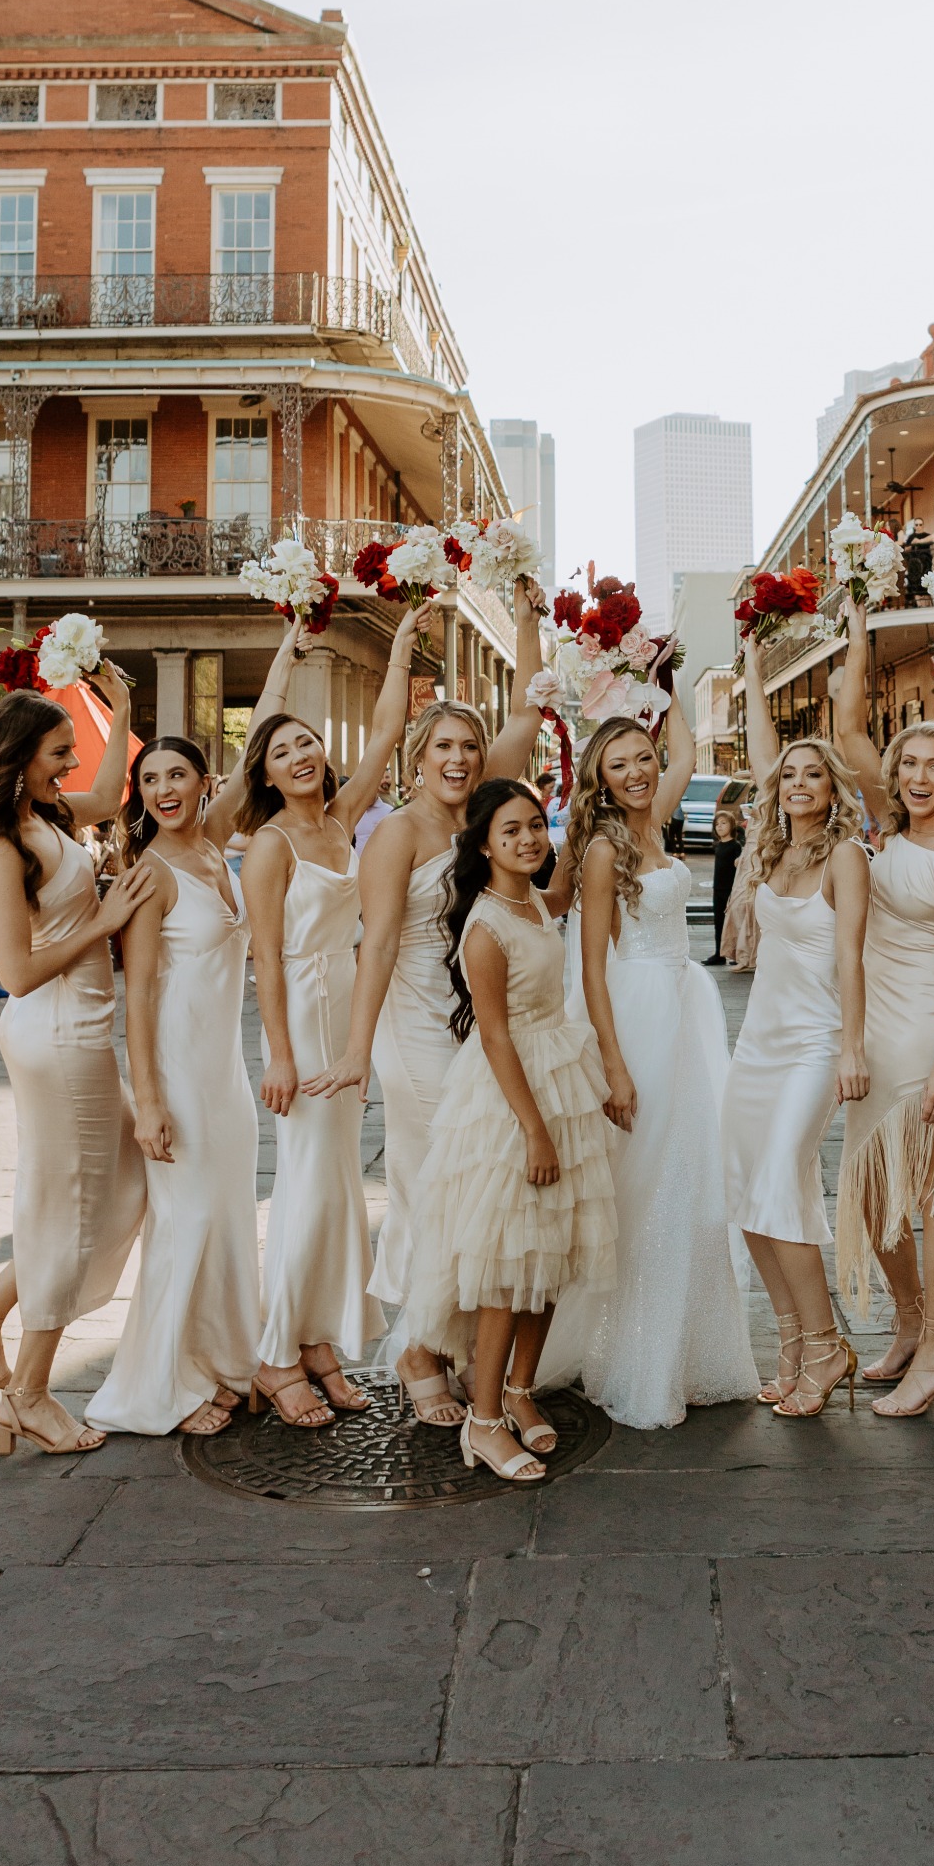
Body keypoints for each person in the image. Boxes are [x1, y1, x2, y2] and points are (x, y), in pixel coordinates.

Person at [86, 622, 306, 1439]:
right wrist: (147, 1100)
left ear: (202, 782)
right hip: (174, 1069)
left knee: (222, 1219)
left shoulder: (215, 848)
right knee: (182, 1222)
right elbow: (136, 997)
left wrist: (291, 641)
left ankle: (225, 1362)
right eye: (149, 780)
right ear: (138, 795)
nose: (162, 789)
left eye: (176, 774)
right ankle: (162, 1387)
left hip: (225, 1071)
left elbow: (265, 738)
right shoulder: (149, 876)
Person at [338, 579, 548, 1425]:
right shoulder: (397, 833)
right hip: (413, 1027)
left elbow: (528, 720)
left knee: (471, 1189)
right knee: (432, 1187)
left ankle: (455, 1339)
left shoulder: (482, 815)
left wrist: (530, 621)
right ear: (415, 760)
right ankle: (418, 1347)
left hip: (471, 1028)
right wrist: (356, 1051)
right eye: (443, 749)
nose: (459, 759)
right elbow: (380, 944)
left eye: (468, 746)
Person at [0, 669, 154, 1455]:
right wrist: (108, 917)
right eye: (58, 752)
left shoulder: (52, 813)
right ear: (21, 755)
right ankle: (29, 1392)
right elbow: (17, 972)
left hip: (83, 1032)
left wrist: (123, 707)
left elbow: (108, 795)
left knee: (123, 1183)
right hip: (52, 1033)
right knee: (72, 1208)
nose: (69, 764)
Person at [542, 696, 759, 1428]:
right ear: (599, 778)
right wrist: (615, 1064)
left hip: (685, 1014)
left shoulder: (655, 826)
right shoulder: (604, 848)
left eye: (644, 758)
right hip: (634, 1017)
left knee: (690, 1182)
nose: (637, 772)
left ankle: (685, 1352)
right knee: (645, 1186)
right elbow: (593, 966)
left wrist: (670, 690)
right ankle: (635, 1359)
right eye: (620, 763)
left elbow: (691, 756)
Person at [239, 609, 431, 1427]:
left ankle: (319, 1344)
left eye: (308, 743)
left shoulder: (343, 817)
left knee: (340, 1185)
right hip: (300, 1012)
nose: (302, 756)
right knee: (310, 1188)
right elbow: (266, 960)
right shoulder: (270, 844)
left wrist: (399, 645)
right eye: (283, 751)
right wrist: (278, 1056)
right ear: (268, 772)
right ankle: (276, 1352)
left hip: (350, 999)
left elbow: (389, 729)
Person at [405, 780, 618, 1482]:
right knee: (506, 1264)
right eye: (511, 832)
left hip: (562, 1074)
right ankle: (485, 1417)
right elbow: (494, 1038)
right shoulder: (485, 928)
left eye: (536, 826)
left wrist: (591, 814)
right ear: (482, 845)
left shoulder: (533, 900)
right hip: (512, 1097)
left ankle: (522, 1388)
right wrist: (534, 1131)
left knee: (551, 1251)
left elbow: (563, 899)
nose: (529, 840)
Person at [833, 599, 934, 1418]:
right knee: (868, 1188)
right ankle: (907, 1322)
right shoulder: (884, 834)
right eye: (909, 765)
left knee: (933, 1194)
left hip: (929, 1026)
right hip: (874, 1030)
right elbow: (848, 721)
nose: (919, 777)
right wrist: (860, 636)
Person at [720, 634, 870, 1415]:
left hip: (816, 1043)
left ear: (832, 788)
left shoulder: (848, 857)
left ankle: (827, 1345)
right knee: (745, 1187)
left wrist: (850, 1047)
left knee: (780, 1174)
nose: (799, 783)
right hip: (758, 1043)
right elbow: (760, 748)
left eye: (815, 775)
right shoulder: (772, 853)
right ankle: (789, 1340)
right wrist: (748, 661)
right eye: (791, 776)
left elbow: (851, 961)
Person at [704, 797, 742, 966]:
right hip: (717, 889)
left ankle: (736, 953)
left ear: (732, 825)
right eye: (717, 824)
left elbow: (737, 871)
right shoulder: (719, 846)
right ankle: (719, 953)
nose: (720, 826)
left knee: (732, 923)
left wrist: (734, 892)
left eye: (724, 823)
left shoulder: (735, 846)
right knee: (718, 922)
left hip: (730, 890)